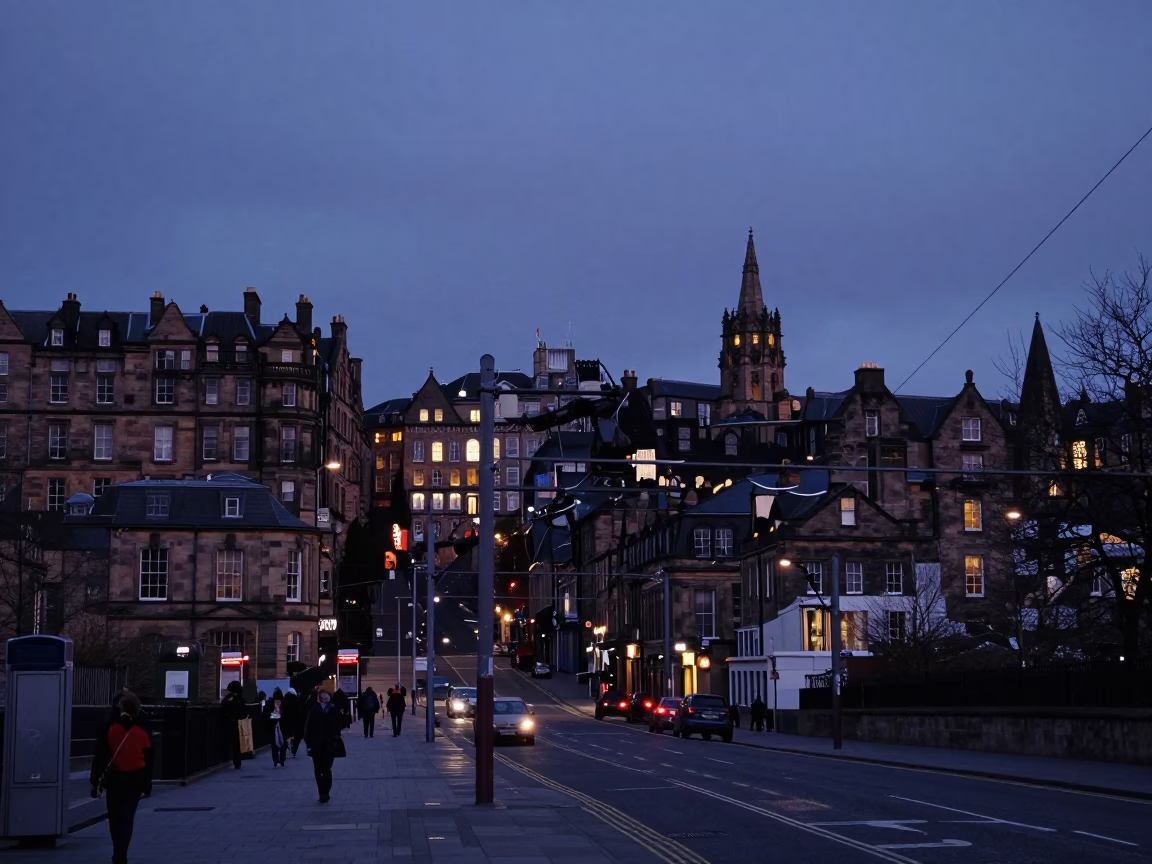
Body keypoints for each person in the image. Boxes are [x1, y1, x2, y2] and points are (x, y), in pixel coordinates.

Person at [90, 690, 152, 864]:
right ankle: (121, 851)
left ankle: (117, 847)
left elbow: (100, 754)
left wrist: (95, 780)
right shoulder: (142, 725)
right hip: (135, 777)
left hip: (115, 777)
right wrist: (147, 784)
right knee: (127, 816)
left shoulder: (109, 724)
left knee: (114, 816)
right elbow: (149, 756)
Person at [303, 689, 343, 804]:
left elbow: (340, 724)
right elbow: (308, 728)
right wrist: (308, 744)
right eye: (323, 695)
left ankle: (325, 793)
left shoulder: (333, 709)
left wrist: (337, 733)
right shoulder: (314, 710)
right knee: (317, 770)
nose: (325, 697)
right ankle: (321, 792)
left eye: (327, 695)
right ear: (319, 697)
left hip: (329, 745)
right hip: (316, 745)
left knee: (326, 769)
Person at [220, 680, 248, 769]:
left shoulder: (230, 699)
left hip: (231, 722)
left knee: (232, 742)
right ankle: (238, 761)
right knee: (238, 742)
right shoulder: (241, 699)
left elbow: (224, 705)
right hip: (240, 723)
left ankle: (233, 759)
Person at [263, 687, 289, 766]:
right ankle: (282, 760)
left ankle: (275, 761)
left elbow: (265, 715)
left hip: (273, 726)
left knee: (274, 745)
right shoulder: (284, 703)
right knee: (283, 744)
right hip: (283, 727)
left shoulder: (270, 703)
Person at [282, 687, 303, 757]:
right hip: (296, 722)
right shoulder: (297, 701)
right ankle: (294, 750)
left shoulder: (283, 701)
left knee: (286, 736)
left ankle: (285, 750)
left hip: (285, 722)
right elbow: (300, 712)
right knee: (297, 736)